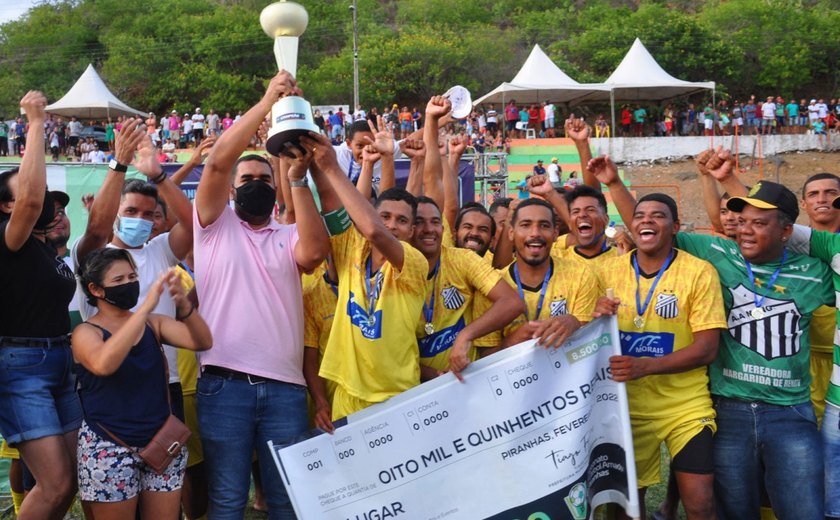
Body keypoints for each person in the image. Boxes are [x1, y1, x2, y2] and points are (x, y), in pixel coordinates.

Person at [605, 148, 833, 519]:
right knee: (732, 511)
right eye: (741, 221)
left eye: (759, 224)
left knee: (803, 511)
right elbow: (647, 224)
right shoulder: (714, 251)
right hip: (730, 410)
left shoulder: (815, 273)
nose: (744, 229)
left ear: (788, 231)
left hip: (790, 412)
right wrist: (614, 183)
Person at [193, 71, 329, 519]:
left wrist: (297, 178)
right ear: (232, 189)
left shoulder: (287, 234)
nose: (257, 183)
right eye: (247, 177)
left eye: (264, 178)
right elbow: (214, 164)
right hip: (224, 385)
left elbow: (314, 253)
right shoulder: (212, 226)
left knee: (287, 501)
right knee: (228, 499)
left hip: (286, 391)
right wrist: (268, 101)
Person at [589, 164, 725, 520]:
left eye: (658, 215)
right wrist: (593, 314)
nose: (646, 221)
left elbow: (708, 347)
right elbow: (582, 332)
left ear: (675, 227)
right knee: (623, 508)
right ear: (631, 226)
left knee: (700, 503)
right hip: (624, 406)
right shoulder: (606, 271)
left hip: (685, 406)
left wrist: (647, 366)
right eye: (640, 215)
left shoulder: (699, 271)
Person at [72, 248, 212, 518]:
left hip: (160, 441)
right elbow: (104, 363)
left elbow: (202, 341)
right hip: (109, 447)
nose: (129, 284)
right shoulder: (85, 332)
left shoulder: (153, 324)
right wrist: (145, 307)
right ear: (96, 289)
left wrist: (185, 306)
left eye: (132, 276)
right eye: (119, 280)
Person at [0, 92, 80, 519]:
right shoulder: (8, 239)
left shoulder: (46, 248)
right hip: (21, 365)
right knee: (55, 483)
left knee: (71, 479)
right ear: (6, 207)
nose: (41, 196)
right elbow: (31, 201)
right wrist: (36, 121)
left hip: (59, 361)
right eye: (29, 191)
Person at [462, 199, 600, 373]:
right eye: (526, 225)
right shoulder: (494, 288)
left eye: (544, 225)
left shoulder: (581, 275)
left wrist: (575, 323)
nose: (535, 233)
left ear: (555, 232)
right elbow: (486, 360)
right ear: (511, 232)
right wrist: (515, 340)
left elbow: (591, 346)